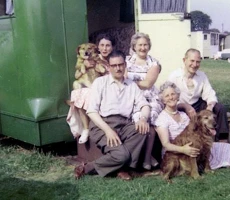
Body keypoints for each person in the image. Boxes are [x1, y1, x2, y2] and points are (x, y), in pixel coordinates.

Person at [74, 50, 151, 181]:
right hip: (102, 125)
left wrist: (143, 118)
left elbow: (145, 105)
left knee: (143, 131)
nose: (118, 68)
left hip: (124, 124)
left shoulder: (131, 85)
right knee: (121, 155)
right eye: (114, 65)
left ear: (125, 65)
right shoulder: (100, 82)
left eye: (120, 65)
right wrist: (108, 130)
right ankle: (87, 167)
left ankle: (122, 168)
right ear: (108, 67)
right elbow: (92, 111)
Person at [168, 48, 229, 141]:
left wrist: (210, 107)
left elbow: (210, 94)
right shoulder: (174, 76)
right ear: (184, 60)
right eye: (192, 61)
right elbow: (170, 98)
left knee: (220, 108)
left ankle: (221, 140)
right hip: (179, 106)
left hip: (197, 104)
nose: (195, 65)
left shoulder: (202, 75)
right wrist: (185, 106)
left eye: (198, 62)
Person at [67, 35, 115, 144]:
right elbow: (77, 75)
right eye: (102, 45)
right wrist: (85, 67)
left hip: (109, 88)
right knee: (78, 94)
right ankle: (86, 129)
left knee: (86, 95)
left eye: (108, 46)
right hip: (93, 87)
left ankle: (92, 128)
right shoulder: (92, 59)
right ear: (97, 47)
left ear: (112, 47)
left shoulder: (115, 58)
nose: (105, 48)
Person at [125, 32, 163, 170]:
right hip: (132, 97)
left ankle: (147, 157)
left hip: (150, 97)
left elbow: (148, 84)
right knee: (136, 119)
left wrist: (130, 81)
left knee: (148, 121)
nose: (142, 47)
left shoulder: (154, 63)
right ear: (134, 46)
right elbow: (122, 79)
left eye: (145, 44)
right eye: (140, 45)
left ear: (149, 46)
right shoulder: (126, 61)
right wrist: (140, 80)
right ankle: (143, 157)